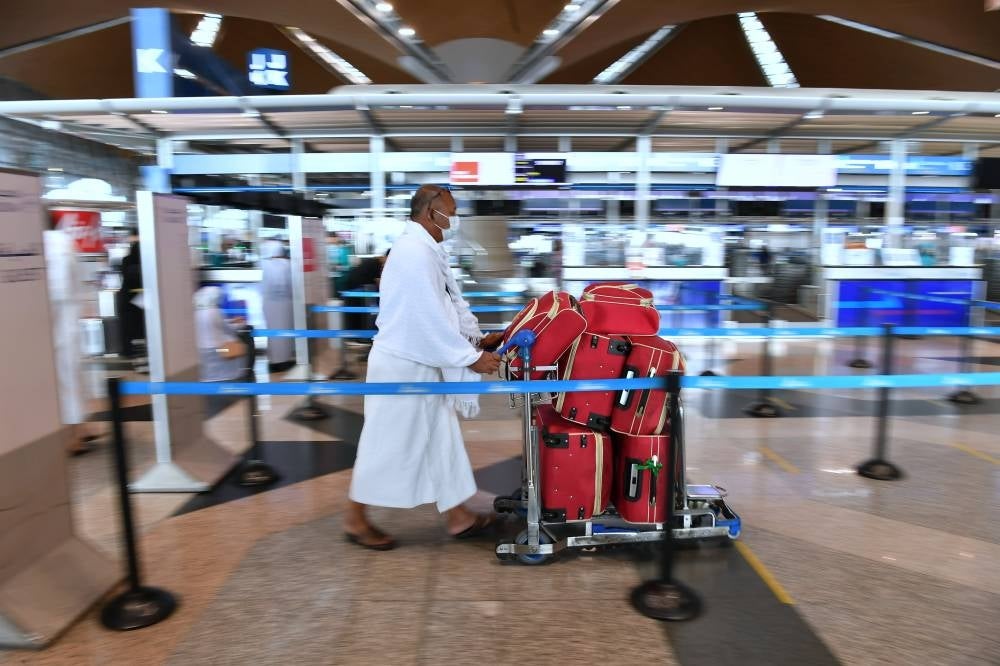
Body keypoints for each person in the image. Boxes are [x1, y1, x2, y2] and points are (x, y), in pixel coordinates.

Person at [346, 185, 503, 550]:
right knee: (384, 444)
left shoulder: (427, 250)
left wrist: (475, 339)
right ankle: (354, 518)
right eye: (452, 210)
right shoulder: (414, 253)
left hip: (420, 362)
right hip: (402, 367)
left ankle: (458, 517)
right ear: (431, 213)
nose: (455, 218)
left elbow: (447, 305)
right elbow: (424, 319)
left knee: (438, 439)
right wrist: (471, 358)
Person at [43, 225, 101, 455]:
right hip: (67, 323)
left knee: (65, 380)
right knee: (72, 378)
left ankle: (75, 436)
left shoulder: (49, 244)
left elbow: (56, 290)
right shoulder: (63, 242)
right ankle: (82, 429)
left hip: (58, 324)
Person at [194, 286, 250, 383]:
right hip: (219, 350)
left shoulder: (196, 312)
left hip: (201, 351)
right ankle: (241, 377)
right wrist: (240, 323)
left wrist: (230, 321)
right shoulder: (215, 311)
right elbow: (229, 329)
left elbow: (216, 324)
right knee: (240, 348)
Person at [260, 240, 295, 374]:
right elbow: (292, 285)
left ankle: (273, 361)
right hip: (285, 305)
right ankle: (284, 361)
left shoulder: (263, 264)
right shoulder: (287, 264)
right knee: (285, 333)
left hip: (269, 305)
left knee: (272, 333)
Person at [116, 240, 145, 359]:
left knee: (127, 327)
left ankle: (127, 351)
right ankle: (140, 351)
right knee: (140, 326)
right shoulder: (144, 261)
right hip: (140, 297)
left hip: (126, 298)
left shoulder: (125, 260)